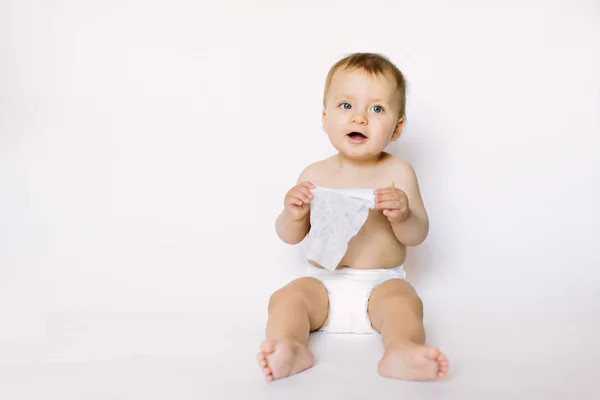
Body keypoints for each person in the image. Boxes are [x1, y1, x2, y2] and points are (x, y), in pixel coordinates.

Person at [257, 53, 449, 382]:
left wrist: (403, 214)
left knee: (404, 303)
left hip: (380, 284)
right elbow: (290, 235)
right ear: (325, 118)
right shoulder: (314, 173)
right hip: (322, 285)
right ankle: (290, 346)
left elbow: (416, 235)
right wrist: (293, 213)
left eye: (377, 109)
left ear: (397, 127)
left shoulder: (397, 172)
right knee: (287, 298)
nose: (360, 118)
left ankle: (401, 349)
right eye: (346, 106)